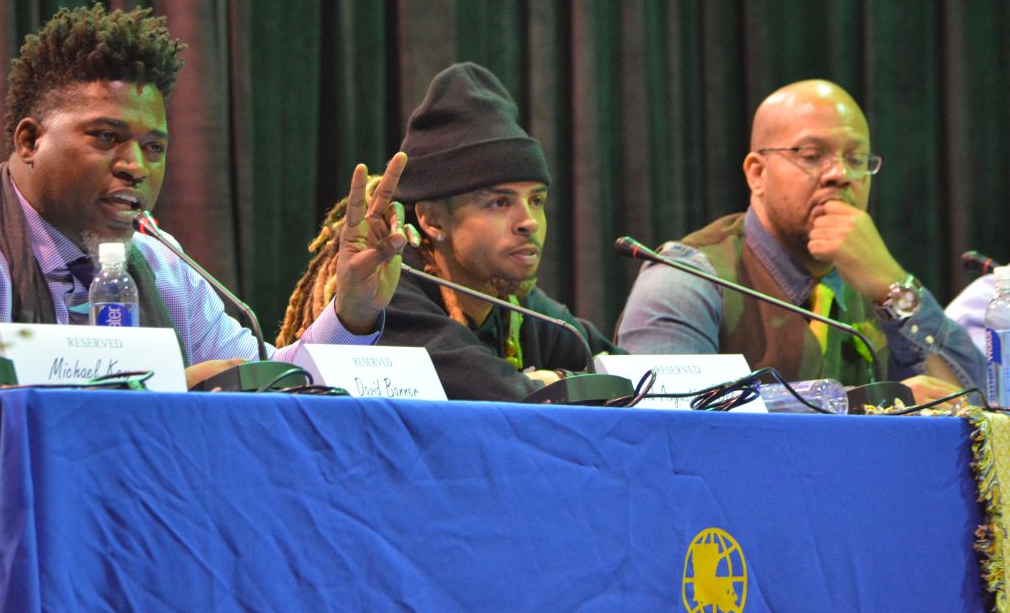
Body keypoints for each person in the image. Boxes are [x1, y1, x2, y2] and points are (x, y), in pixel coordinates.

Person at [0, 4, 410, 387]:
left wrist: (352, 313)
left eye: (155, 148)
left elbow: (266, 380)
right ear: (29, 140)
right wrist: (166, 388)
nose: (136, 167)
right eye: (107, 138)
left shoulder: (159, 263)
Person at [616, 79, 981, 400]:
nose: (840, 174)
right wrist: (866, 404)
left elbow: (979, 415)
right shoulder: (687, 278)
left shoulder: (878, 287)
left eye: (856, 159)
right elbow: (663, 426)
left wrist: (893, 286)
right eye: (812, 155)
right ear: (757, 174)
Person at [278, 62, 622, 402]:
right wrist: (564, 381)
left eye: (536, 200)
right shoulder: (388, 292)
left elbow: (635, 378)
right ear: (433, 220)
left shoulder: (518, 306)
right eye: (500, 203)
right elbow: (494, 393)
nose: (528, 221)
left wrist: (556, 380)